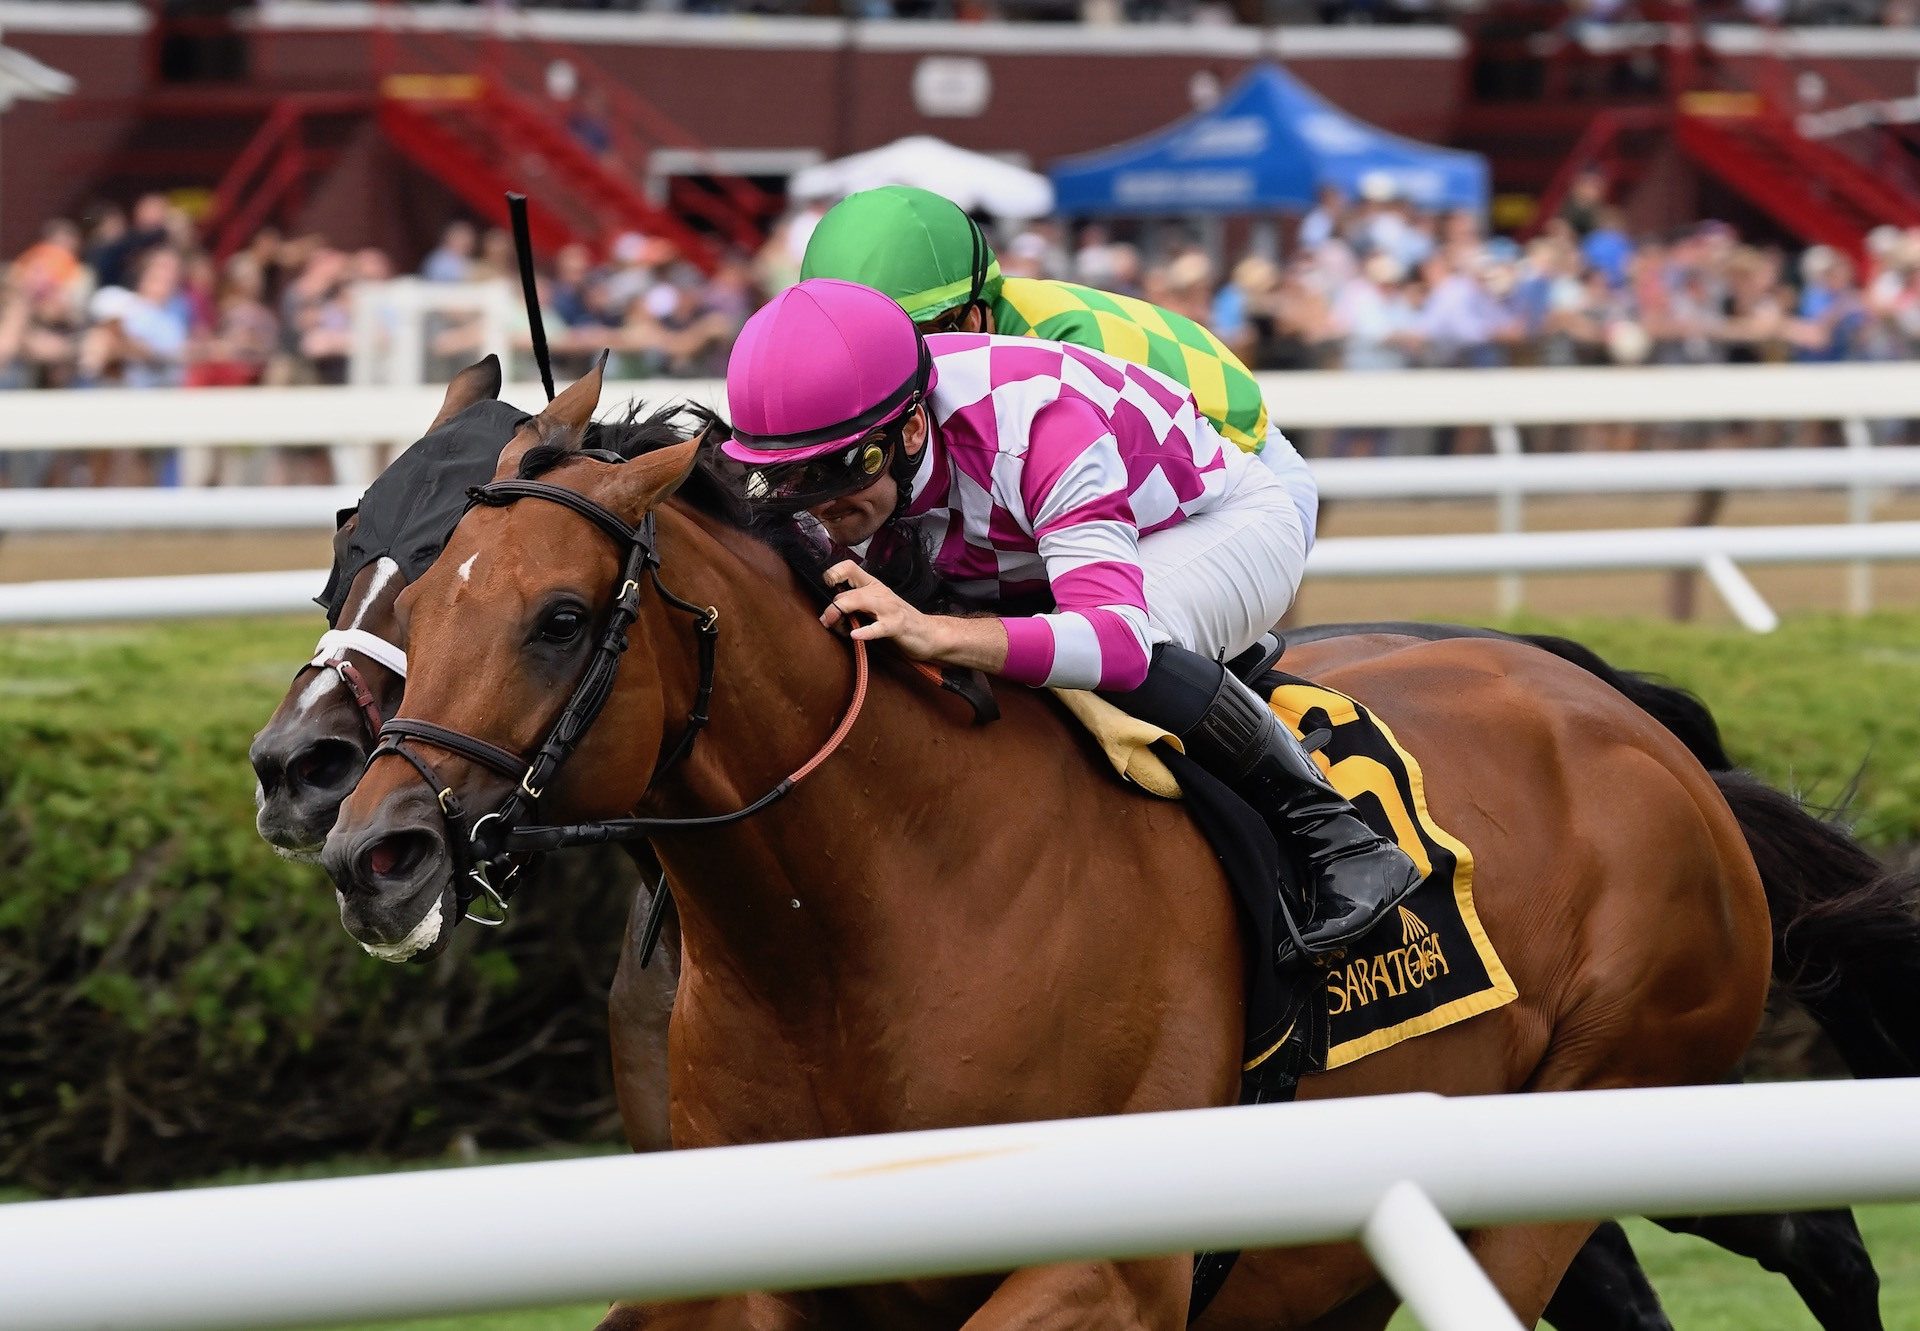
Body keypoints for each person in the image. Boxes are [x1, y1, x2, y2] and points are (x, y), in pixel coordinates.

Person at [720, 279, 1420, 953]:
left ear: (908, 430)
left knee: (1125, 648)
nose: (823, 506)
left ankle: (1339, 838)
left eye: (847, 467)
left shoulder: (1040, 420)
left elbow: (1115, 642)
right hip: (1035, 538)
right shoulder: (850, 454)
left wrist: (937, 632)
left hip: (1213, 522)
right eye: (794, 479)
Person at [798, 185, 1319, 548]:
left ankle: (1238, 707)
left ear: (969, 315)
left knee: (1114, 626)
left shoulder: (1057, 354)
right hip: (1170, 455)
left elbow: (1092, 511)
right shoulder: (980, 326)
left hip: (1244, 476)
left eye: (902, 337)